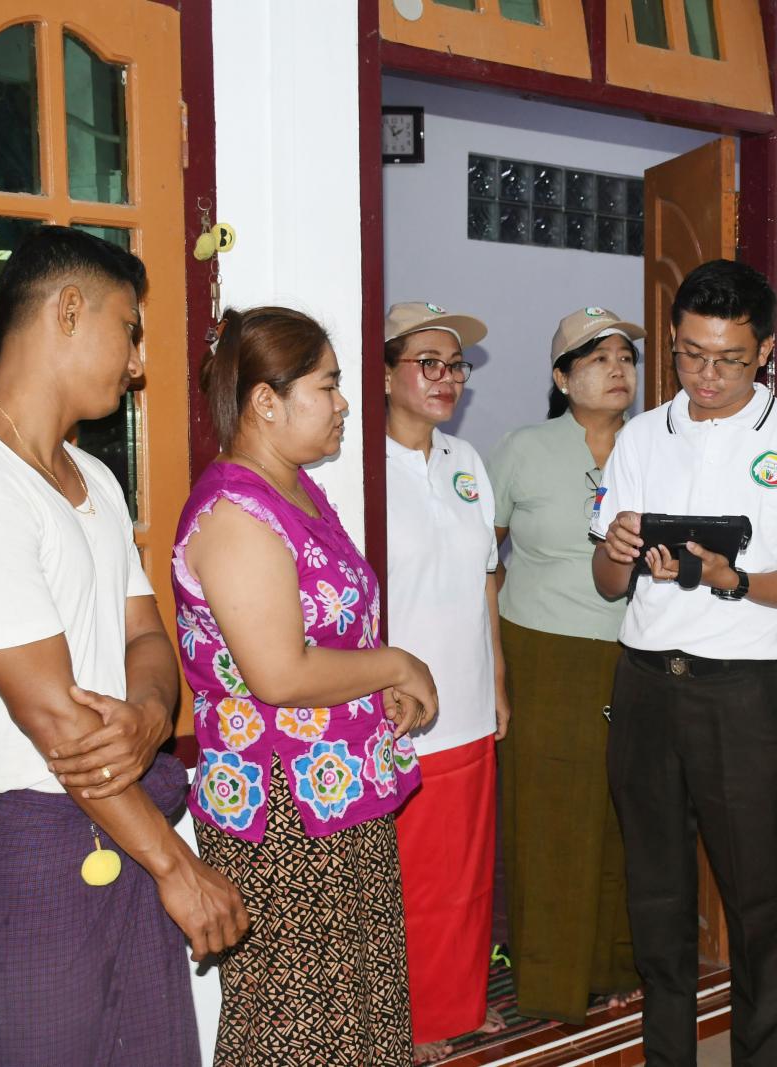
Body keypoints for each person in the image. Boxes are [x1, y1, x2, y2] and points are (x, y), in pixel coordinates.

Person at [0, 225, 249, 1065]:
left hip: (128, 820)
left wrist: (148, 714)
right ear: (70, 310)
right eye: (129, 329)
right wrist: (177, 866)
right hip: (40, 847)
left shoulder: (94, 479)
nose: (137, 363)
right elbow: (55, 722)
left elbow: (145, 633)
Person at [173, 306, 439, 1065]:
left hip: (338, 792)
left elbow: (332, 636)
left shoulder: (296, 492)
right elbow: (281, 673)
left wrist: (373, 687)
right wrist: (397, 665)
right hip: (283, 813)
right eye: (328, 385)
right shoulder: (235, 514)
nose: (344, 403)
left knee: (360, 1011)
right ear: (266, 400)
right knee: (300, 1025)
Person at [592, 259, 777, 1066]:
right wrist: (618, 549)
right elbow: (606, 582)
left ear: (764, 350)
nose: (706, 375)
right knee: (656, 898)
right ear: (673, 339)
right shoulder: (640, 436)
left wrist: (732, 578)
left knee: (756, 904)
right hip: (644, 686)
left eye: (729, 359)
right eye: (690, 354)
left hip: (741, 694)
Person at [489, 306, 643, 1023]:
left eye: (626, 357)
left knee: (624, 813)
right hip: (543, 653)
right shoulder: (523, 448)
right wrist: (492, 661)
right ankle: (550, 980)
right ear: (561, 377)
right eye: (597, 358)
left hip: (637, 651)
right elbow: (481, 556)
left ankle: (617, 967)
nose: (618, 369)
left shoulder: (655, 448)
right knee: (550, 815)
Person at [382, 301, 512, 1062]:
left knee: (465, 873)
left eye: (455, 365)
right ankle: (415, 1017)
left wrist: (498, 679)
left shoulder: (465, 462)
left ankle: (459, 1000)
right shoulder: (354, 466)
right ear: (384, 374)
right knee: (412, 876)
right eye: (427, 362)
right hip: (398, 712)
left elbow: (486, 579)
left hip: (466, 701)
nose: (447, 378)